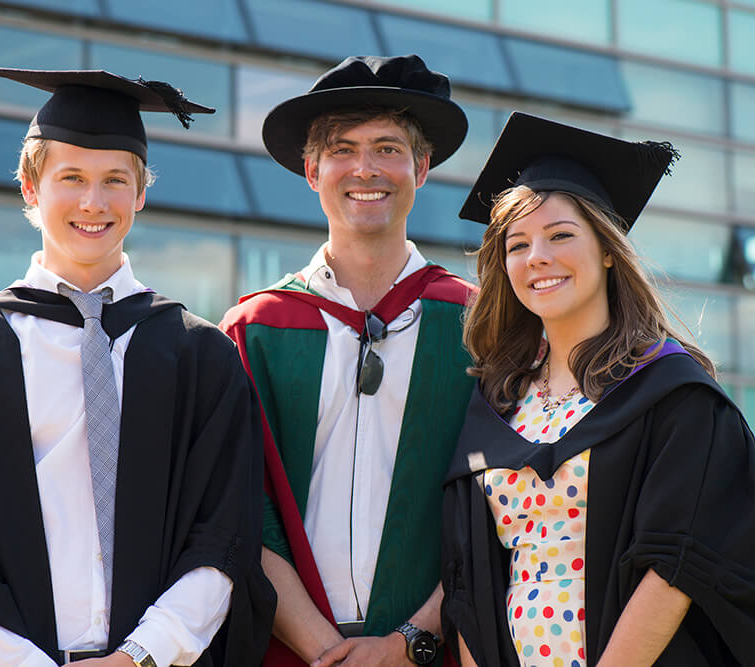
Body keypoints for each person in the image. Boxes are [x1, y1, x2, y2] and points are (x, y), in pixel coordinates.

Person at [0, 67, 274, 666]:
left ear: (141, 194)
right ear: (30, 189)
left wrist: (141, 655)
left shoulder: (201, 358)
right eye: (72, 178)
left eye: (116, 180)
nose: (95, 202)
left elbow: (224, 535)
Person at [441, 111, 755, 667]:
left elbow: (675, 565)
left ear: (606, 247)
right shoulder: (499, 400)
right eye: (517, 244)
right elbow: (470, 580)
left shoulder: (669, 390)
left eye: (560, 235)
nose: (537, 258)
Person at [219, 55, 476, 667]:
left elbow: (500, 506)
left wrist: (408, 642)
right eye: (342, 149)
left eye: (388, 148)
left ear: (422, 166)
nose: (366, 169)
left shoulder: (477, 325)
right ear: (312, 170)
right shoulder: (254, 329)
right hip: (285, 652)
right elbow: (235, 509)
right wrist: (324, 650)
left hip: (437, 650)